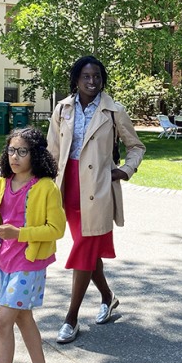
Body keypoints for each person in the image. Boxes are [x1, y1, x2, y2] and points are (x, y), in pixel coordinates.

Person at [47, 55, 145, 344]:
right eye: (86, 77)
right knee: (88, 253)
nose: (92, 82)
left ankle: (71, 318)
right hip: (68, 188)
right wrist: (44, 185)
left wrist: (126, 170)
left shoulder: (114, 110)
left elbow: (136, 147)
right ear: (76, 79)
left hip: (99, 190)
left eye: (97, 77)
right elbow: (52, 151)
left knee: (83, 248)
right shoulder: (62, 109)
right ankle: (108, 296)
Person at [0, 127, 66, 363]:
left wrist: (19, 233)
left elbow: (57, 229)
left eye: (22, 151)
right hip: (5, 261)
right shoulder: (2, 182)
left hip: (29, 264)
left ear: (36, 154)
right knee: (23, 318)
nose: (15, 157)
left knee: (2, 322)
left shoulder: (46, 187)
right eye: (11, 150)